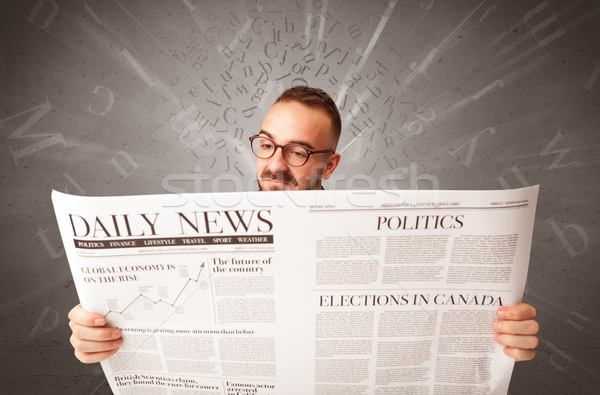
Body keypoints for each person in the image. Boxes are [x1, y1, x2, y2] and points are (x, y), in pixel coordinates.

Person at [68, 86, 539, 363]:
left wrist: (500, 338)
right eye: (267, 144)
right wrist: (98, 332)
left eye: (297, 152)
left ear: (329, 166)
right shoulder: (198, 245)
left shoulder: (379, 250)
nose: (274, 164)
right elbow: (146, 313)